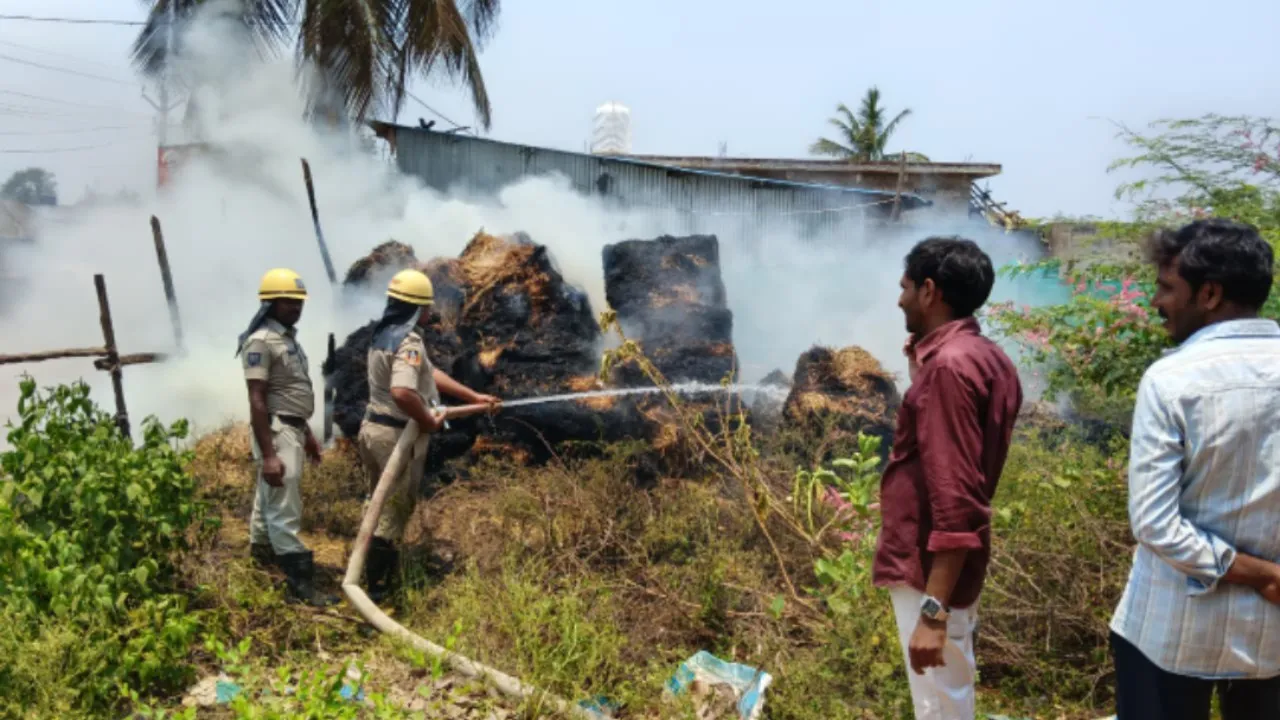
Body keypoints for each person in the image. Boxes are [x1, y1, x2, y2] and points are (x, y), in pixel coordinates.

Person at [1109, 219, 1280, 719]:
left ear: (1208, 293)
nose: (1157, 301)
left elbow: (1155, 524)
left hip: (1170, 635)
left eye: (1166, 287)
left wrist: (1257, 574)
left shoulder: (1171, 380)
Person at [875, 236, 1023, 720]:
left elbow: (955, 495)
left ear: (930, 291)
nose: (900, 299)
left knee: (938, 705)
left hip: (930, 570)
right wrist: (921, 371)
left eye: (905, 288)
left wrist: (932, 613)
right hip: (950, 569)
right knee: (950, 692)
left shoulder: (949, 370)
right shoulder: (986, 357)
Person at [357, 268, 501, 603]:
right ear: (417, 308)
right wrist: (427, 420)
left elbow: (428, 372)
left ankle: (363, 568)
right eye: (426, 307)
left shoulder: (385, 333)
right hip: (395, 436)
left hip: (372, 430)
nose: (429, 313)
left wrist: (473, 397)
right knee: (393, 509)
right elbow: (403, 391)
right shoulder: (407, 340)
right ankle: (379, 592)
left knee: (375, 503)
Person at [237, 267, 337, 607]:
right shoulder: (261, 342)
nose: (296, 307)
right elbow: (258, 398)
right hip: (277, 433)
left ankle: (262, 570)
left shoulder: (286, 339)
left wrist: (307, 433)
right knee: (284, 508)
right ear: (270, 303)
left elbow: (288, 394)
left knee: (266, 504)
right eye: (288, 301)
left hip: (290, 428)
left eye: (299, 301)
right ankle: (300, 586)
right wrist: (269, 454)